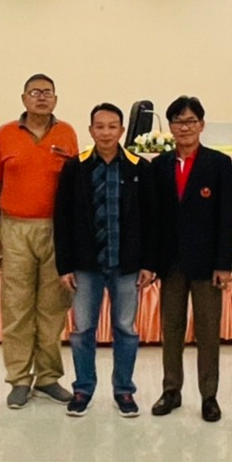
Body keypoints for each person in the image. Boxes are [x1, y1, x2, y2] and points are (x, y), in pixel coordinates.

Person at [53, 103, 157, 417]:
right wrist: (65, 266)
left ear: (122, 131)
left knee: (125, 329)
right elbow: (62, 219)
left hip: (126, 265)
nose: (106, 133)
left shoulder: (139, 168)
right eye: (100, 126)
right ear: (90, 130)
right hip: (86, 266)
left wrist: (148, 263)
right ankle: (83, 389)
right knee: (82, 330)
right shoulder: (76, 168)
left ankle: (124, 390)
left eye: (113, 127)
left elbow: (152, 219)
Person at [0, 73, 81, 408]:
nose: (41, 97)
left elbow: (75, 186)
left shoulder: (67, 133)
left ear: (55, 99)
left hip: (56, 230)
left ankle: (48, 377)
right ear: (24, 98)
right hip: (15, 229)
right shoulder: (5, 133)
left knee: (53, 307)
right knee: (17, 307)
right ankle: (19, 379)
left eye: (47, 92)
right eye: (35, 92)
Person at [148, 96, 232, 423]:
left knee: (208, 331)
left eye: (191, 121)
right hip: (170, 263)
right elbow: (153, 217)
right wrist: (152, 262)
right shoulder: (159, 165)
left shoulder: (219, 164)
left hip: (208, 265)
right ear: (170, 127)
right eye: (178, 122)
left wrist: (223, 263)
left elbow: (226, 216)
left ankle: (209, 395)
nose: (185, 127)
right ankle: (171, 390)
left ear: (202, 125)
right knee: (171, 329)